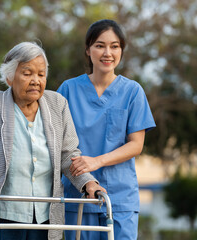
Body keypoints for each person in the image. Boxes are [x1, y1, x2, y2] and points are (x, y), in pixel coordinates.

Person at [0, 42, 106, 240]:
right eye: (27, 73)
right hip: (1, 214)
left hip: (44, 219)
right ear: (10, 77)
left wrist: (88, 183)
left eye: (41, 74)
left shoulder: (58, 104)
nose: (36, 80)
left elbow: (69, 155)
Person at [57, 19, 156, 239]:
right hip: (78, 196)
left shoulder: (133, 92)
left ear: (121, 50)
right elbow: (56, 142)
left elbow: (136, 145)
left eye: (114, 46)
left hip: (120, 198)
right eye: (100, 45)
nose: (107, 53)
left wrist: (96, 161)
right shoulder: (68, 90)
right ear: (88, 50)